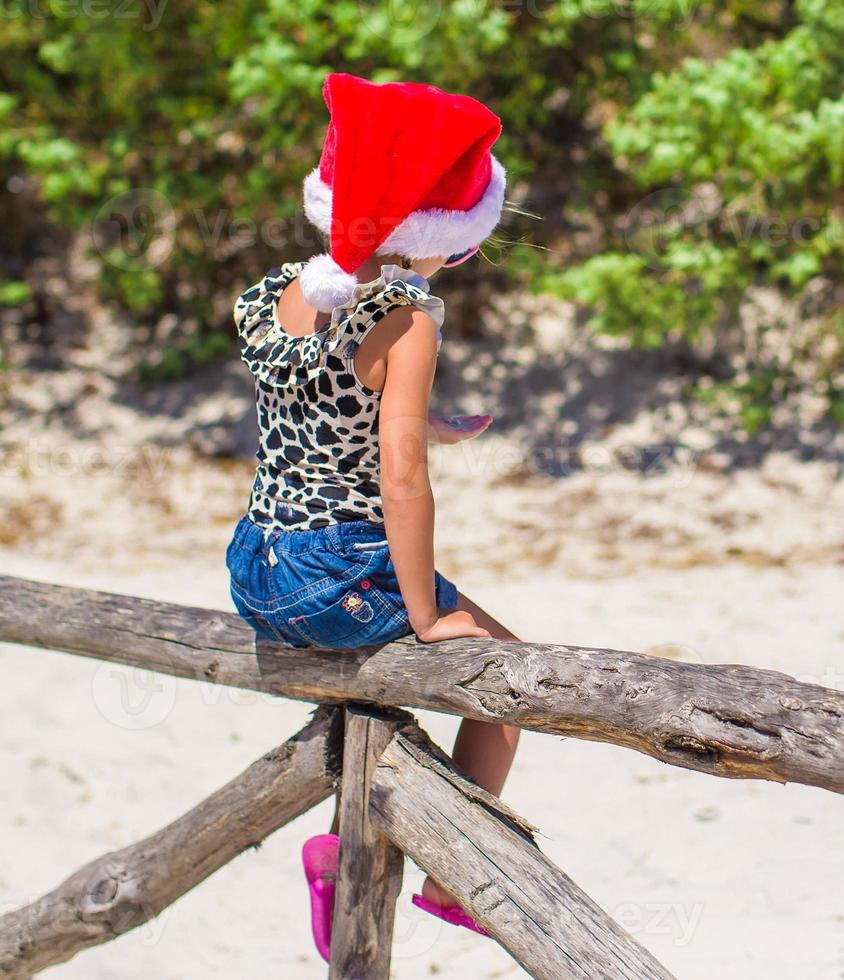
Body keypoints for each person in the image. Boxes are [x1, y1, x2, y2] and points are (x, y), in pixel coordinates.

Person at [223, 72, 517, 961]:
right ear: (450, 237)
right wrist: (424, 607)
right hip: (337, 568)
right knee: (507, 686)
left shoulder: (283, 291)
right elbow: (399, 480)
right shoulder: (410, 321)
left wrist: (426, 417)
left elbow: (324, 392)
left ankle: (346, 848)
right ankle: (450, 879)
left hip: (255, 566)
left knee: (370, 706)